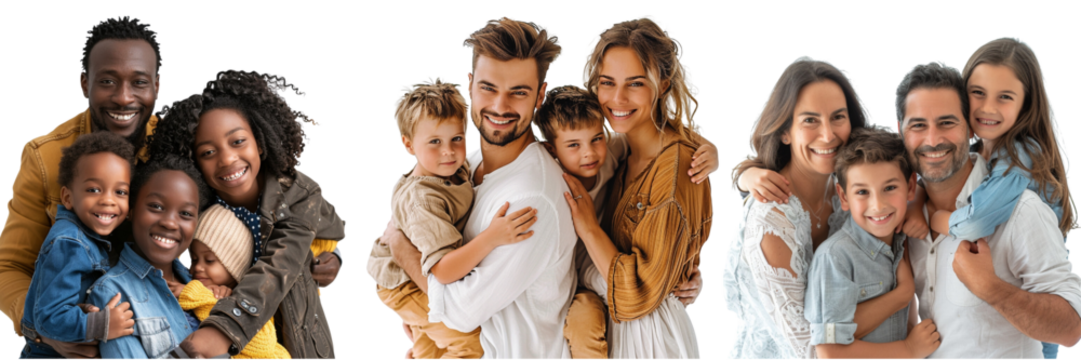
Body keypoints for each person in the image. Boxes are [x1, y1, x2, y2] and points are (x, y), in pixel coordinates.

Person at [379, 16, 577, 359]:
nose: (500, 107)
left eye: (518, 92)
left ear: (540, 96)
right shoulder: (465, 163)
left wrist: (398, 244)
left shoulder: (532, 198)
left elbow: (458, 312)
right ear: (469, 86)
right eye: (489, 88)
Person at [896, 38, 1077, 360]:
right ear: (901, 132)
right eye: (918, 126)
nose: (933, 139)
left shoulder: (1021, 200)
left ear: (967, 126)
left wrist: (989, 287)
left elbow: (1069, 329)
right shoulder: (892, 212)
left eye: (947, 122)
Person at [151, 69, 347, 359]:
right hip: (227, 337)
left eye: (237, 141)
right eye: (208, 152)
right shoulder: (197, 206)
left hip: (296, 343)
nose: (227, 159)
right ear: (193, 161)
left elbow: (280, 264)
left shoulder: (298, 192)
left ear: (259, 138)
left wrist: (336, 256)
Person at [560, 14, 710, 359]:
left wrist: (587, 227)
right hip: (614, 332)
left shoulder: (679, 170)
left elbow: (636, 295)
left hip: (651, 339)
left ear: (664, 84)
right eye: (607, 82)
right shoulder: (615, 151)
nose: (617, 98)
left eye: (636, 84)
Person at [535, 84, 720, 359]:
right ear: (551, 150)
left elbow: (667, 140)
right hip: (577, 287)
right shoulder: (548, 182)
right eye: (574, 145)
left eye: (596, 138)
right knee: (583, 326)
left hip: (615, 282)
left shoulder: (612, 155)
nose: (589, 153)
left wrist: (711, 149)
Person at [367, 78, 535, 359]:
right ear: (408, 145)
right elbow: (443, 271)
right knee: (470, 343)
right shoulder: (424, 200)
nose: (449, 151)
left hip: (412, 275)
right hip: (404, 283)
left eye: (457, 138)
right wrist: (492, 237)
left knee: (431, 348)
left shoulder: (454, 169)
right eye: (434, 142)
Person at [718, 55, 872, 359]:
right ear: (785, 131)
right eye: (810, 120)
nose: (828, 135)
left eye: (838, 117)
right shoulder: (771, 221)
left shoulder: (847, 192)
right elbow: (811, 350)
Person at [803, 127, 941, 359]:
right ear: (844, 197)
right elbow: (830, 352)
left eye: (889, 188)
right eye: (862, 192)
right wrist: (908, 350)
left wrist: (916, 206)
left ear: (909, 187)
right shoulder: (836, 257)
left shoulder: (899, 239)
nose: (878, 205)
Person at [19, 132, 139, 359]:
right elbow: (48, 318)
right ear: (67, 197)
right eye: (94, 189)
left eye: (120, 192)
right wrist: (100, 324)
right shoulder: (69, 243)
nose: (108, 200)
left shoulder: (89, 236)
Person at [87, 155, 209, 359]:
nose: (170, 223)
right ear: (131, 211)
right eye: (157, 207)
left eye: (186, 214)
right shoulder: (112, 294)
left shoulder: (199, 282)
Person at [179, 204, 290, 360]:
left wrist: (201, 297)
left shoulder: (251, 297)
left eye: (209, 260)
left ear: (234, 265)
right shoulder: (209, 287)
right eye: (194, 259)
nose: (198, 267)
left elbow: (263, 343)